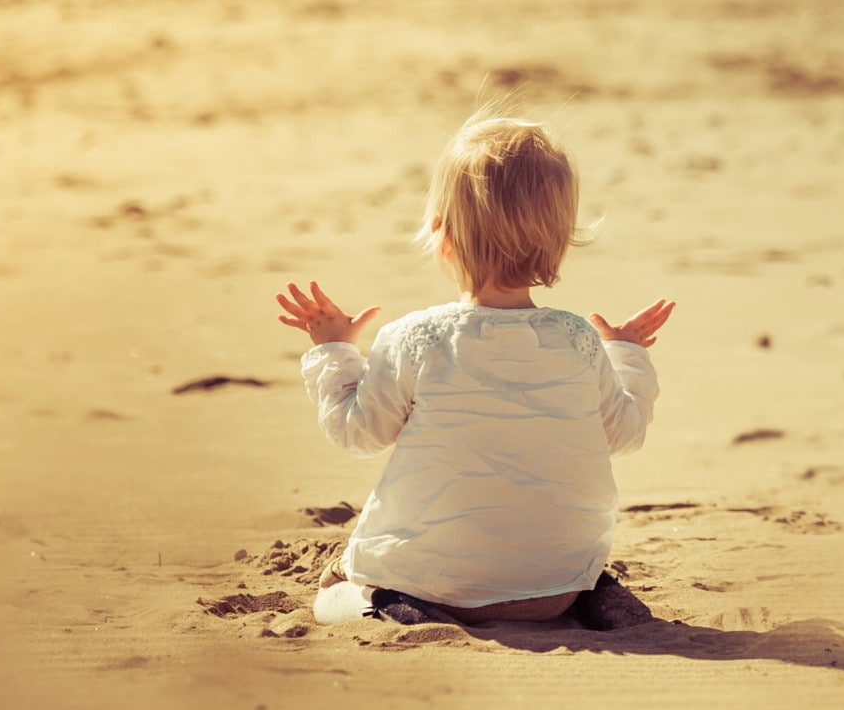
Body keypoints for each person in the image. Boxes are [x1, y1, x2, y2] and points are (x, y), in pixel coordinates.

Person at [275, 103, 673, 626]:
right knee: (554, 554)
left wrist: (333, 351)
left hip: (438, 584)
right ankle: (596, 593)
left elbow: (360, 434)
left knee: (334, 591)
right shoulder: (577, 339)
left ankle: (390, 607)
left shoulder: (416, 338)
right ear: (558, 240)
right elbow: (622, 435)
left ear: (441, 235)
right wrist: (626, 354)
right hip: (556, 585)